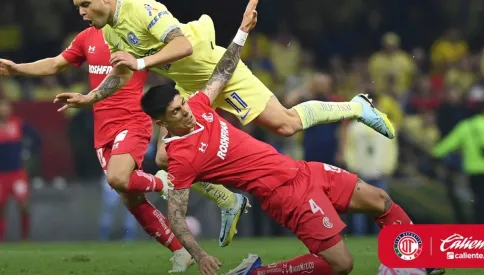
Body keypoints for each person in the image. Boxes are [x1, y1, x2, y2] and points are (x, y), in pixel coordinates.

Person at [139, 5, 444, 275]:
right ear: (162, 122)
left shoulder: (199, 106)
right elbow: (176, 217)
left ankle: (415, 259)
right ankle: (257, 273)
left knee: (381, 200)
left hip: (302, 170)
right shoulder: (182, 158)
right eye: (177, 112)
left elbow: (223, 70)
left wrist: (243, 31)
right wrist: (199, 254)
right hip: (284, 195)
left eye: (182, 103)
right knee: (342, 265)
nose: (186, 112)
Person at [0, 26, 248, 271]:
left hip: (132, 122)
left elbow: (179, 48)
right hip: (102, 130)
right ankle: (180, 252)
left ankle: (164, 182)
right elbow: (56, 64)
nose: (82, 11)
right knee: (131, 198)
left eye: (86, 4)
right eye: (79, 7)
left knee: (118, 178)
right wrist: (17, 69)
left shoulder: (135, 31)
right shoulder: (87, 37)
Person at [0, 98, 41, 241]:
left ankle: (25, 237)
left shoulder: (18, 123)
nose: (3, 110)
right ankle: (2, 239)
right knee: (1, 208)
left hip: (17, 173)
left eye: (5, 106)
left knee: (24, 205)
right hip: (1, 175)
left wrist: (28, 151)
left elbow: (36, 137)